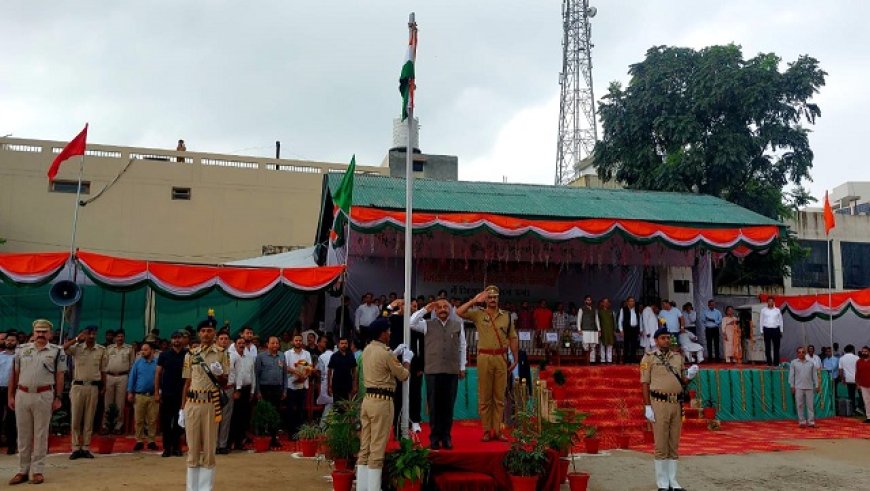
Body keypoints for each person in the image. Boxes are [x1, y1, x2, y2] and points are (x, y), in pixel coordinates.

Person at [355, 316, 412, 491]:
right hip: (382, 402)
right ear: (381, 334)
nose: (390, 334)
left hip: (368, 400)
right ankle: (373, 488)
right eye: (388, 331)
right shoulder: (385, 353)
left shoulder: (366, 350)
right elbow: (403, 375)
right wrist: (407, 360)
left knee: (365, 447)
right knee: (377, 448)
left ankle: (362, 488)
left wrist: (393, 354)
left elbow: (381, 365)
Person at [8, 319, 66, 486]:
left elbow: (60, 376)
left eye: (44, 331)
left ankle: (38, 471)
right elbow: (14, 374)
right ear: (33, 333)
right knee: (23, 434)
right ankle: (23, 470)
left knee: (40, 434)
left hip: (44, 395)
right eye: (38, 331)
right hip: (22, 394)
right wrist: (11, 396)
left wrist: (58, 397)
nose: (40, 334)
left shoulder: (57, 351)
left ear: (51, 334)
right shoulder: (21, 350)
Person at [641, 327, 699, 491]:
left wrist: (690, 376)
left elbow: (682, 381)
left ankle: (673, 481)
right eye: (663, 338)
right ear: (656, 340)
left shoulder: (677, 357)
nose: (666, 340)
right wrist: (647, 406)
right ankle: (662, 483)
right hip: (659, 403)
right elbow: (644, 383)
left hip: (676, 403)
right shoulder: (649, 358)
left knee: (674, 443)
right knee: (661, 444)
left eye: (668, 338)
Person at [457, 286, 518, 442]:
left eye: (495, 297)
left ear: (498, 299)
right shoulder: (479, 314)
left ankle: (497, 430)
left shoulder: (507, 316)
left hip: (501, 358)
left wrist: (516, 358)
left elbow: (513, 338)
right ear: (486, 299)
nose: (492, 300)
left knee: (499, 397)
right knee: (485, 396)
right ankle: (486, 430)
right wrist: (474, 300)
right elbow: (459, 312)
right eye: (489, 297)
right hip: (484, 357)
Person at [410, 299, 467, 450]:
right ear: (435, 311)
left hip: (451, 370)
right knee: (434, 406)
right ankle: (434, 438)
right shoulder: (427, 324)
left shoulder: (457, 324)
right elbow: (411, 323)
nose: (442, 310)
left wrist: (462, 366)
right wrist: (425, 310)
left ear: (450, 310)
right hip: (433, 370)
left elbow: (462, 346)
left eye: (445, 307)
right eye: (439, 307)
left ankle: (446, 437)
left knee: (448, 406)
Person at [180, 318, 229, 491]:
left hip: (211, 404)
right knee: (192, 447)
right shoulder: (190, 354)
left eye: (209, 330)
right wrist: (181, 409)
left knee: (209, 448)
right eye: (203, 331)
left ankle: (205, 488)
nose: (206, 334)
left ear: (214, 333)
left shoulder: (222, 353)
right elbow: (186, 383)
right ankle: (192, 488)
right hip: (192, 403)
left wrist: (219, 374)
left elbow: (225, 382)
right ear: (199, 333)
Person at [63, 325, 107, 459]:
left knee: (89, 418)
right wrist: (77, 338)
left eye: (94, 334)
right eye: (89, 334)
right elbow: (63, 348)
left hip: (93, 387)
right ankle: (76, 448)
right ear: (84, 334)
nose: (92, 336)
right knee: (76, 418)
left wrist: (103, 386)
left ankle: (86, 447)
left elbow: (103, 370)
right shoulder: (77, 348)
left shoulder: (101, 350)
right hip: (78, 386)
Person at [155, 330, 188, 457]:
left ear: (183, 340)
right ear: (171, 340)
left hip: (182, 394)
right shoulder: (164, 355)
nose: (176, 340)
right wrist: (157, 393)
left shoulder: (188, 354)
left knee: (179, 422)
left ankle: (177, 447)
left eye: (179, 338)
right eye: (174, 338)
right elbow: (158, 374)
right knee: (166, 422)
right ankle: (167, 448)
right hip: (167, 393)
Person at [255, 336, 285, 448]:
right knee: (264, 413)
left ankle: (273, 438)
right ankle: (262, 438)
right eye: (272, 343)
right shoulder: (261, 356)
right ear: (267, 344)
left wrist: (285, 390)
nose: (275, 345)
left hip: (278, 388)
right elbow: (256, 375)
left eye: (277, 343)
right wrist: (258, 391)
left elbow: (284, 374)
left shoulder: (282, 355)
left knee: (275, 414)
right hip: (264, 388)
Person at [127, 341, 159, 451]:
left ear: (152, 351)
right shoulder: (138, 363)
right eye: (142, 350)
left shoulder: (158, 363)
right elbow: (132, 377)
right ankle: (139, 440)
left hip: (153, 395)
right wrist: (130, 392)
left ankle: (151, 441)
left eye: (145, 350)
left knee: (152, 420)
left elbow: (161, 378)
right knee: (139, 419)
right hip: (139, 395)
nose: (143, 352)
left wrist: (159, 393)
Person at [103, 329, 134, 434]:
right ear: (115, 338)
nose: (120, 338)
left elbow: (132, 365)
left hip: (123, 376)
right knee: (107, 402)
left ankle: (118, 426)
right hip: (109, 376)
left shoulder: (129, 349)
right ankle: (106, 425)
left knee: (120, 403)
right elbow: (104, 363)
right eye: (118, 336)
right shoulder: (108, 348)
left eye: (122, 336)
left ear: (124, 337)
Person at [229, 336, 256, 451]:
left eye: (243, 343)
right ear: (235, 345)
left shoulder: (249, 357)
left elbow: (252, 375)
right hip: (235, 389)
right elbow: (232, 374)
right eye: (239, 343)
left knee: (244, 417)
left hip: (247, 389)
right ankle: (229, 443)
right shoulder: (232, 356)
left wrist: (252, 391)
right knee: (234, 417)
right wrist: (236, 390)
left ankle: (239, 443)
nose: (241, 344)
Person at [284, 334, 312, 440]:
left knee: (301, 410)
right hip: (291, 385)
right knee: (291, 410)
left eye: (300, 340)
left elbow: (309, 367)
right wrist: (295, 371)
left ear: (302, 342)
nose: (298, 342)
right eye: (296, 340)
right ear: (293, 341)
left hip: (303, 385)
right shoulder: (287, 354)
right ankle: (291, 433)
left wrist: (304, 376)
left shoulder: (306, 354)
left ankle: (300, 433)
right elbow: (285, 367)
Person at [215, 331, 236, 454]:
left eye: (226, 339)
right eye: (221, 338)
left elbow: (235, 373)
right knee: (214, 418)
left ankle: (222, 445)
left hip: (228, 389)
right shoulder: (212, 354)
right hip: (214, 389)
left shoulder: (233, 355)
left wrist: (236, 389)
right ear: (217, 340)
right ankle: (213, 444)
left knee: (226, 418)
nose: (224, 341)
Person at [788, 346, 819, 428]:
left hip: (809, 386)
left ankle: (811, 422)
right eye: (799, 352)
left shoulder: (811, 363)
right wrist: (792, 386)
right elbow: (791, 375)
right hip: (798, 387)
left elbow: (814, 375)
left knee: (810, 405)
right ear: (797, 353)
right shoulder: (793, 363)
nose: (801, 354)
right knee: (800, 405)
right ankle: (802, 421)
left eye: (803, 352)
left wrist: (817, 385)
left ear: (805, 353)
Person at [0, 333, 18, 454]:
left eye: (12, 340)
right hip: (0, 388)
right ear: (4, 342)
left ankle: (12, 445)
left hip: (13, 390)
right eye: (8, 340)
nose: (10, 342)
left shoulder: (19, 356)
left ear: (16, 342)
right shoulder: (0, 356)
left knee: (12, 419)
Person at [328, 336, 358, 404]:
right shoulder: (334, 356)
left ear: (348, 344)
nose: (344, 345)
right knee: (337, 407)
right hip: (336, 386)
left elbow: (354, 371)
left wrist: (355, 385)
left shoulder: (351, 355)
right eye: (342, 343)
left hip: (348, 385)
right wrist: (329, 386)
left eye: (345, 343)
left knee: (347, 407)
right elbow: (330, 372)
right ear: (338, 344)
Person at [759, 298, 784, 366]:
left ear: (774, 302)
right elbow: (761, 320)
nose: (771, 302)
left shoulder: (777, 310)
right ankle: (769, 362)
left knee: (776, 347)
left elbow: (781, 320)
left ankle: (776, 363)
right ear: (767, 302)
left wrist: (781, 330)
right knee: (767, 347)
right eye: (769, 301)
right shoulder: (763, 310)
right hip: (767, 329)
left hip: (776, 329)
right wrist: (761, 330)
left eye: (772, 301)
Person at [316, 338, 335, 425]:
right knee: (331, 405)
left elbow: (318, 370)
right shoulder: (336, 355)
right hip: (335, 382)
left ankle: (323, 427)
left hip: (326, 382)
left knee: (329, 406)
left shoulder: (322, 356)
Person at [577, 295, 601, 363]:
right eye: (587, 300)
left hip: (593, 330)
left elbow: (597, 320)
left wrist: (599, 329)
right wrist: (579, 329)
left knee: (593, 345)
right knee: (586, 345)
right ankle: (586, 360)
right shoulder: (581, 309)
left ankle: (592, 361)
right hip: (585, 330)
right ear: (585, 301)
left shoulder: (595, 309)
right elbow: (579, 320)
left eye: (590, 300)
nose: (589, 301)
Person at [619, 296, 642, 363]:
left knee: (634, 345)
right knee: (626, 345)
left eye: (633, 301)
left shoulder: (637, 309)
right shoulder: (623, 309)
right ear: (627, 302)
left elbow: (640, 320)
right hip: (627, 329)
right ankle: (625, 360)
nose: (632, 302)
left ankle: (633, 359)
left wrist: (640, 329)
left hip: (635, 329)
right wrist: (621, 330)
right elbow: (620, 320)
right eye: (631, 301)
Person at [839, 345, 861, 414]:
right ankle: (860, 407)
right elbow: (860, 369)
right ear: (852, 350)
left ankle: (853, 409)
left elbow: (840, 371)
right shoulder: (857, 357)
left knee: (851, 395)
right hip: (857, 379)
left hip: (848, 379)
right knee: (862, 394)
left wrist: (843, 379)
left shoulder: (842, 358)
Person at [598, 298, 617, 364]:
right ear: (602, 303)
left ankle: (609, 360)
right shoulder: (599, 312)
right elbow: (598, 322)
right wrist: (599, 330)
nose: (606, 303)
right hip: (603, 331)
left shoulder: (611, 311)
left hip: (610, 331)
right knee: (602, 346)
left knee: (610, 346)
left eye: (607, 302)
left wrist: (614, 330)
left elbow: (614, 322)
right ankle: (603, 360)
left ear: (609, 303)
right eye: (604, 302)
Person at [856, 346, 870, 423]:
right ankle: (868, 417)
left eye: (866, 351)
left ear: (869, 352)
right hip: (863, 385)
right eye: (863, 351)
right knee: (866, 401)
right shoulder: (859, 362)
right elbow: (857, 373)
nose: (864, 352)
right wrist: (857, 384)